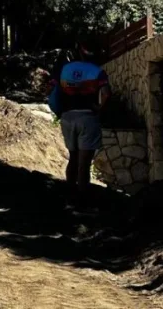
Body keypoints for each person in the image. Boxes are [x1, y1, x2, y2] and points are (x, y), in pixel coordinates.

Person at [48, 39, 111, 210]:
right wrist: (99, 108)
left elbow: (52, 89)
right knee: (84, 162)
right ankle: (82, 201)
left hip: (67, 117)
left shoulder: (65, 69)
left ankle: (69, 197)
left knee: (73, 158)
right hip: (87, 118)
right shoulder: (98, 71)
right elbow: (105, 93)